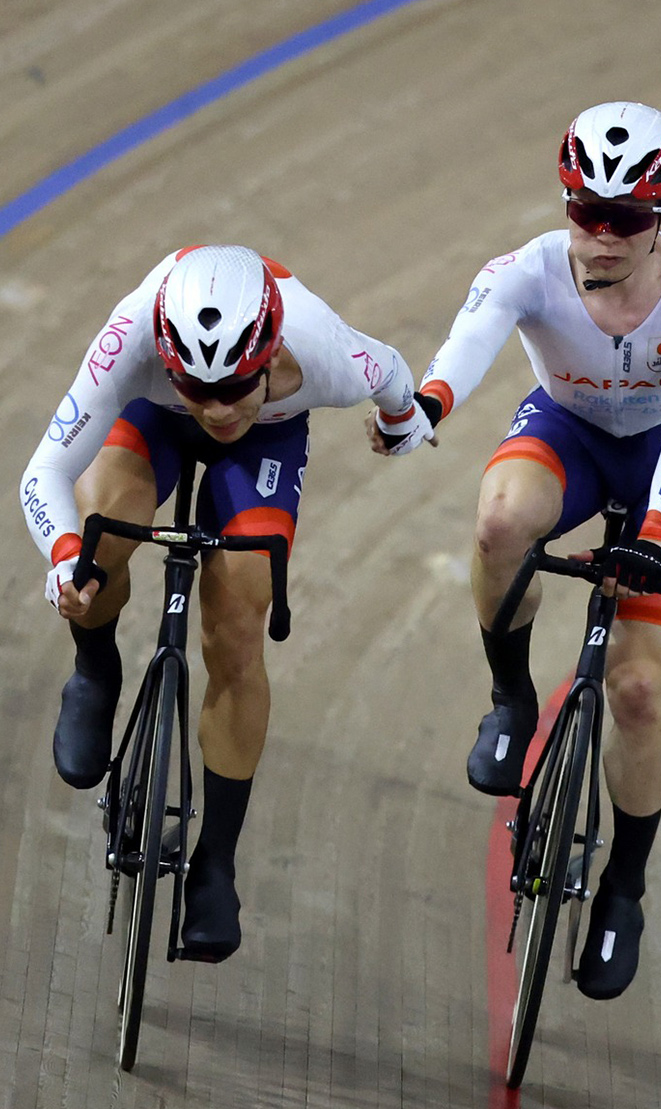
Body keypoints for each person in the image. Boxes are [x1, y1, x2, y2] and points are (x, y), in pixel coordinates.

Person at [379, 102, 661, 999]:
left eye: (625, 219)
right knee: (501, 524)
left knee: (638, 686)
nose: (602, 235)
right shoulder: (527, 269)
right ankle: (510, 700)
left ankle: (624, 884)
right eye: (587, 210)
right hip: (571, 433)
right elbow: (470, 341)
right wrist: (428, 405)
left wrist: (659, 523)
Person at [23, 244, 434, 961]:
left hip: (267, 443)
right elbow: (43, 474)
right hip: (152, 418)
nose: (216, 410)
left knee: (239, 622)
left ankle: (215, 862)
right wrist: (65, 560)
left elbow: (397, 378)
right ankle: (95, 669)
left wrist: (403, 425)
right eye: (199, 389)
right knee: (97, 539)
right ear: (169, 359)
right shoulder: (131, 338)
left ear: (271, 354)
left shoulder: (325, 351)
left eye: (235, 388)